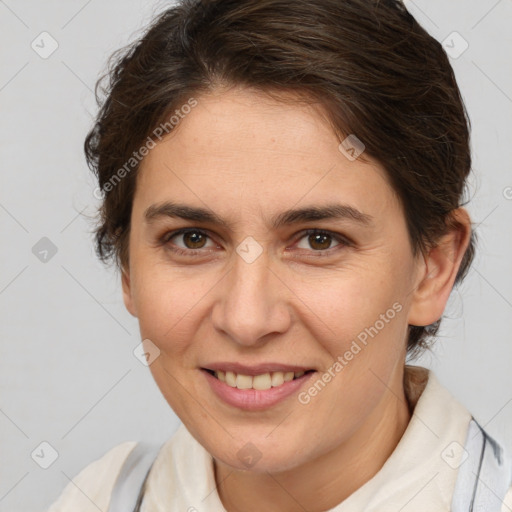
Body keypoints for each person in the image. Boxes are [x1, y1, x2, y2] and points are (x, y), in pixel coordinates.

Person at [47, 0, 512, 510]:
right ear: (128, 268)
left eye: (319, 240)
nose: (247, 320)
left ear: (432, 269)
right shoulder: (95, 498)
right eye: (193, 239)